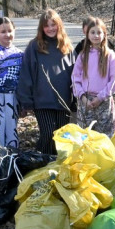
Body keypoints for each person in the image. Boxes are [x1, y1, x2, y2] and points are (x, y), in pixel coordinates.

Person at [17, 9, 76, 154]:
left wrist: (75, 97)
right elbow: (26, 74)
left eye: (53, 25)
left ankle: (56, 166)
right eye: (46, 25)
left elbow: (76, 74)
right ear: (41, 28)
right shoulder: (34, 47)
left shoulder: (67, 46)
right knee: (48, 134)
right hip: (42, 100)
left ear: (59, 26)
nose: (50, 28)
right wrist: (26, 100)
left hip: (64, 100)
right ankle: (41, 161)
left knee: (61, 136)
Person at [71, 17, 115, 137]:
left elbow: (114, 80)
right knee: (86, 135)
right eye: (92, 32)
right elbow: (75, 78)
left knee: (105, 135)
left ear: (104, 34)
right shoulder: (83, 56)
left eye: (99, 32)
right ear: (87, 34)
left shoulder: (110, 55)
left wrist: (101, 97)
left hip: (104, 101)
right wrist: (82, 97)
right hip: (85, 101)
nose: (96, 35)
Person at [0, 17, 23, 150]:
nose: (7, 35)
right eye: (3, 32)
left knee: (12, 130)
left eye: (10, 31)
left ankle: (11, 160)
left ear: (14, 31)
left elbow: (22, 79)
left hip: (13, 97)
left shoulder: (20, 54)